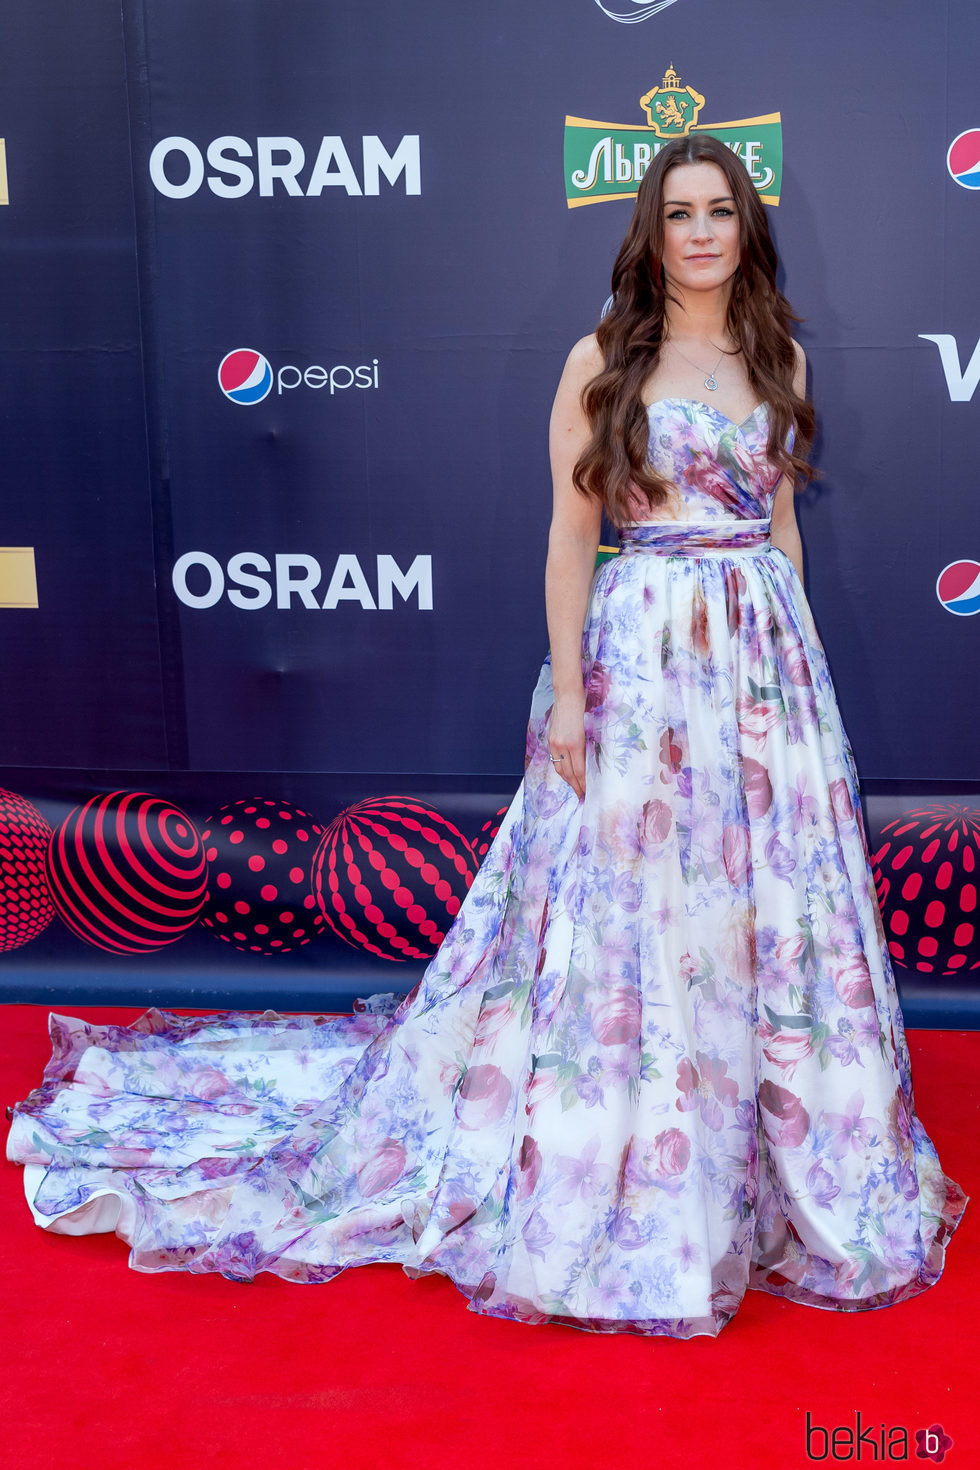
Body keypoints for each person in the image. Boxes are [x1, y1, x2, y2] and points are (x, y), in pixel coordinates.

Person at [5, 136, 967, 1338]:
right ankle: (633, 1164)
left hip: (762, 678)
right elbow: (573, 543)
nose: (702, 234)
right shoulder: (599, 360)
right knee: (635, 917)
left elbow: (779, 535)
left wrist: (803, 684)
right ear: (650, 231)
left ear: (745, 228)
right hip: (639, 664)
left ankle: (774, 1157)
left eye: (720, 211)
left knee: (760, 910)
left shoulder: (775, 353)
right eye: (679, 213)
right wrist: (570, 697)